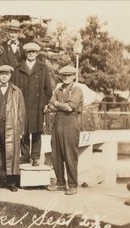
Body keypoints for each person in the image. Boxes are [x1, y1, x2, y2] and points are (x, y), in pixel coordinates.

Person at [45, 65, 84, 195]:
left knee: (69, 154)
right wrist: (58, 105)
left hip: (70, 124)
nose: (66, 77)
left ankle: (72, 184)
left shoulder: (77, 90)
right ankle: (60, 182)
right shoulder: (58, 89)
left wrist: (57, 104)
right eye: (64, 75)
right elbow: (50, 106)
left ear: (73, 76)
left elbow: (69, 108)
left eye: (69, 75)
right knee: (56, 154)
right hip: (57, 123)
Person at [12, 42, 52, 166]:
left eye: (33, 52)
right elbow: (13, 87)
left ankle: (35, 157)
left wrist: (44, 104)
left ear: (37, 53)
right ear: (25, 53)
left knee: (36, 131)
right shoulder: (18, 68)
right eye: (29, 52)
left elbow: (48, 89)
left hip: (37, 105)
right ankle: (24, 157)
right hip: (22, 104)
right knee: (23, 131)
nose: (31, 54)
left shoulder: (43, 67)